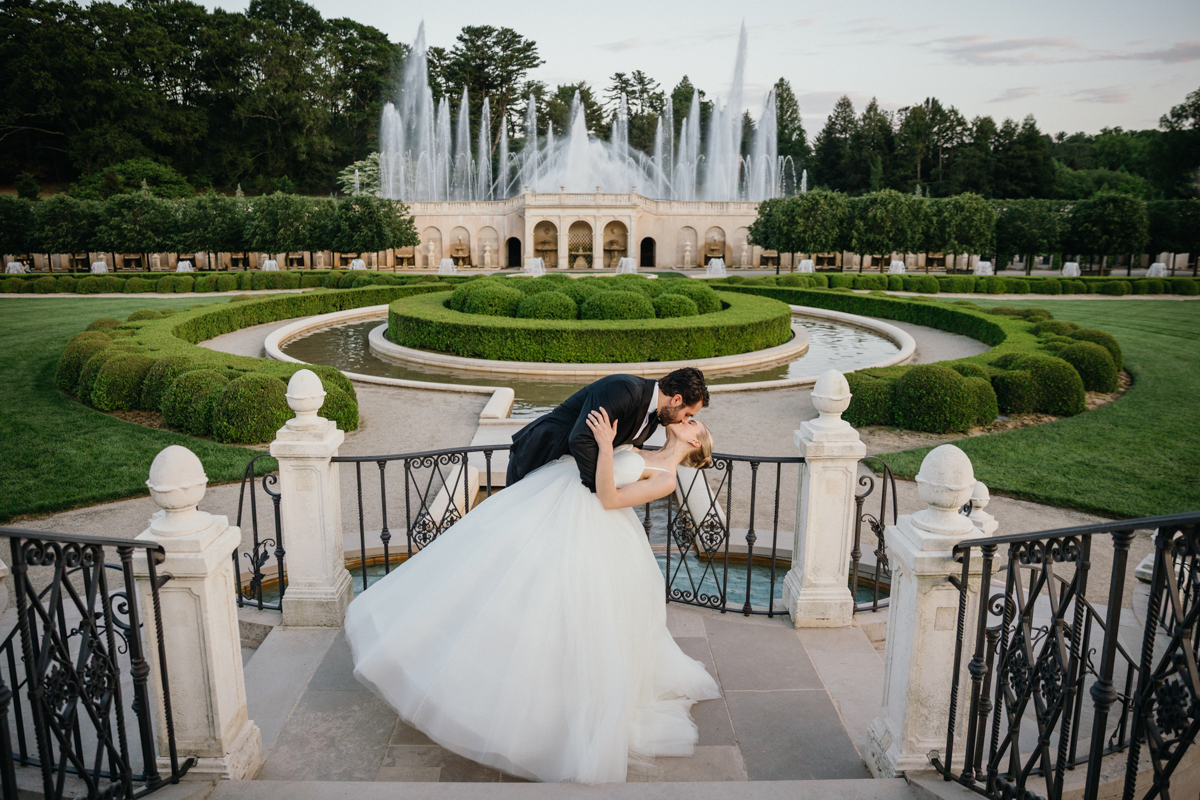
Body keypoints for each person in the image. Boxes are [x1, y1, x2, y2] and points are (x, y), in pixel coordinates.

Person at [344, 394, 720, 783]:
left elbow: (610, 498)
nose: (687, 419)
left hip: (590, 529)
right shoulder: (644, 444)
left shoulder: (666, 478)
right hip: (552, 502)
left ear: (695, 443)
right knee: (494, 581)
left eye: (694, 422)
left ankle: (544, 714)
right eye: (690, 415)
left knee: (557, 613)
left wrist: (608, 446)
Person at [506, 367, 710, 492]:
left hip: (567, 477)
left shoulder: (656, 418)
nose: (684, 420)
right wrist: (600, 490)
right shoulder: (625, 390)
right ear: (676, 399)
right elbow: (581, 438)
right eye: (688, 415)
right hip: (539, 456)